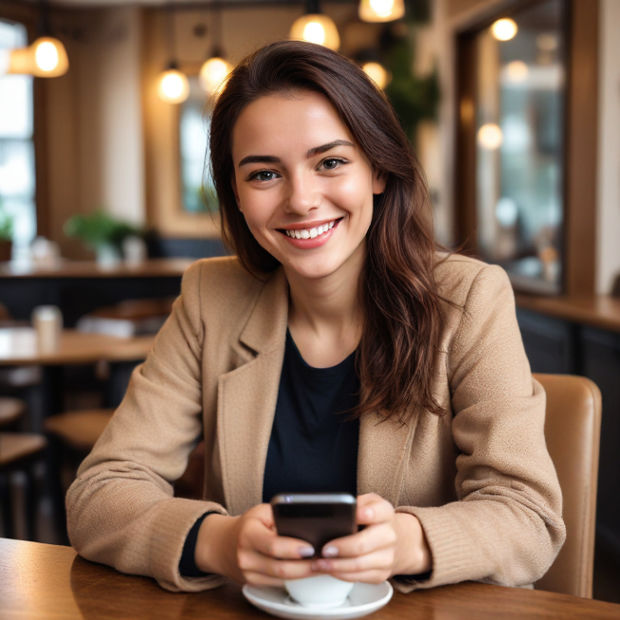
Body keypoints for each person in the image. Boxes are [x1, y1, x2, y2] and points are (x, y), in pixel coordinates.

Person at [66, 40, 565, 593]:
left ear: (377, 169)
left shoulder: (469, 299)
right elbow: (100, 493)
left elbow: (528, 516)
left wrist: (405, 542)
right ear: (236, 192)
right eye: (263, 174)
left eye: (330, 162)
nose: (301, 200)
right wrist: (220, 542)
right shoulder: (211, 297)